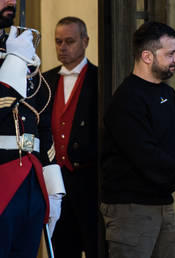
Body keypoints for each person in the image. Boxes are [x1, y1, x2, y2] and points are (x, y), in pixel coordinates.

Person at [100, 21, 175, 258]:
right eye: (170, 54)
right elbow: (148, 157)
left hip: (163, 205)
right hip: (131, 210)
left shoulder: (163, 93)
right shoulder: (126, 100)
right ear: (147, 56)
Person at [0, 0, 65, 257]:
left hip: (31, 181)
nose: (11, 2)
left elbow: (43, 127)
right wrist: (15, 61)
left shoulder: (22, 56)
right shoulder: (18, 57)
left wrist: (53, 185)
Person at [43, 16, 98, 258]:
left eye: (69, 41)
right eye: (58, 42)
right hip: (55, 180)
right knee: (62, 247)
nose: (62, 47)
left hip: (89, 178)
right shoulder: (44, 80)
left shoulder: (99, 78)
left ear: (85, 41)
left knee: (95, 244)